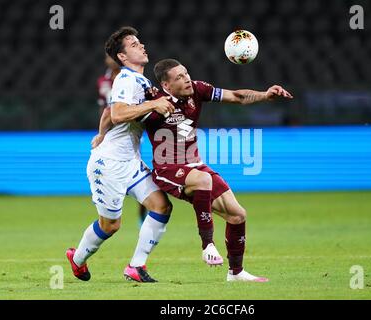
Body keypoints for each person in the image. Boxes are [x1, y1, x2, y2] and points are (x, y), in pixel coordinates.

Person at [94, 58, 293, 282]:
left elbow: (236, 96)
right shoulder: (155, 102)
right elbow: (112, 113)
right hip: (167, 168)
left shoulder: (198, 90)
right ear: (166, 86)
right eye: (179, 77)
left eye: (186, 73)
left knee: (237, 215)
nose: (187, 78)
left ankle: (236, 273)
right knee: (203, 180)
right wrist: (102, 135)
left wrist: (265, 95)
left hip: (194, 164)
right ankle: (207, 244)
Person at [66, 27, 175, 283]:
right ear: (123, 57)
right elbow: (118, 113)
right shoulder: (125, 78)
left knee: (162, 206)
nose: (142, 46)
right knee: (110, 226)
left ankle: (136, 267)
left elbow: (107, 114)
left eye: (140, 42)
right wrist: (153, 104)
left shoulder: (142, 82)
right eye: (135, 44)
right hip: (109, 164)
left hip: (131, 162)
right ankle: (77, 258)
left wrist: (101, 133)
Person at [95, 54, 148, 224]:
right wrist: (102, 132)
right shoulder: (104, 81)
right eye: (108, 57)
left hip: (131, 130)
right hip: (112, 131)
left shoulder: (132, 78)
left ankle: (142, 217)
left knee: (140, 170)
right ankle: (110, 212)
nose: (111, 60)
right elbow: (104, 108)